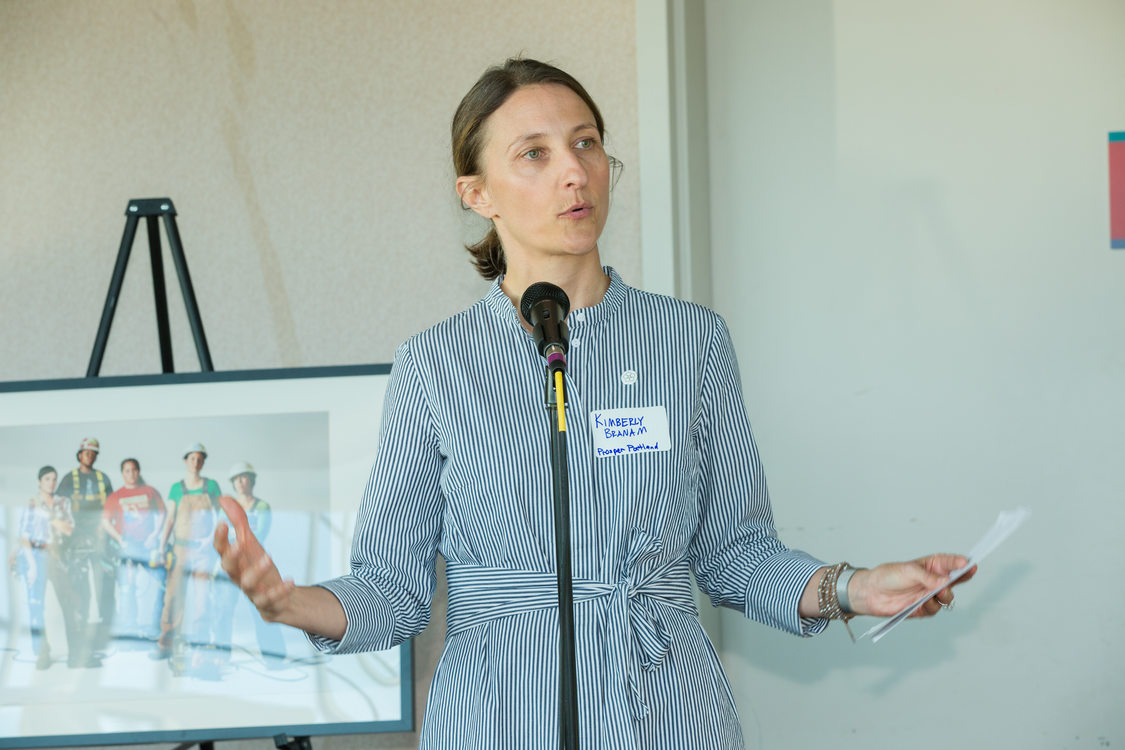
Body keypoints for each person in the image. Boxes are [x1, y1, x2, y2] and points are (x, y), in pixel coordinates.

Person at [216, 58, 977, 748]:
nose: (573, 173)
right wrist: (289, 603)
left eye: (585, 144)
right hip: (497, 710)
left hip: (665, 705)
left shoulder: (691, 342)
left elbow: (734, 554)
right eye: (534, 154)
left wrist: (853, 587)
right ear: (475, 194)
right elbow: (394, 588)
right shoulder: (434, 364)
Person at [8, 466, 90, 669]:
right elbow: (25, 537)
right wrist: (33, 566)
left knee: (70, 603)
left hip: (58, 555)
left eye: (54, 479)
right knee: (35, 606)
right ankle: (42, 653)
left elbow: (69, 529)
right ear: (39, 482)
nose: (51, 483)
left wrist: (49, 516)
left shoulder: (63, 502)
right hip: (35, 555)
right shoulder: (32, 504)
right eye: (47, 479)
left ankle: (75, 655)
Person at [211, 462, 287, 667]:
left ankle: (275, 659)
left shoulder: (262, 507)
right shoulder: (225, 508)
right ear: (233, 484)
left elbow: (260, 534)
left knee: (262, 610)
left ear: (252, 480)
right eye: (237, 479)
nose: (241, 482)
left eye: (244, 477)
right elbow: (220, 535)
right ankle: (220, 657)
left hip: (255, 568)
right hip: (230, 568)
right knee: (223, 610)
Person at [154, 442, 222, 671]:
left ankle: (200, 646)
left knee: (202, 600)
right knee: (172, 597)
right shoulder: (176, 488)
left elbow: (218, 518)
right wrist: (161, 546)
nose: (196, 462)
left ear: (203, 462)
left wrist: (211, 540)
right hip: (180, 549)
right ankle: (166, 643)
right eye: (192, 458)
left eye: (200, 458)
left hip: (203, 551)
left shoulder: (212, 486)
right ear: (186, 461)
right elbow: (170, 518)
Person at [55, 437, 115, 660]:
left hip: (100, 539)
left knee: (104, 588)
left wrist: (103, 529)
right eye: (86, 453)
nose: (89, 456)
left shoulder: (103, 479)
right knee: (81, 592)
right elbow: (58, 507)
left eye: (93, 453)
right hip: (76, 543)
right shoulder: (69, 479)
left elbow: (112, 506)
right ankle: (79, 645)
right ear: (79, 455)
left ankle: (103, 639)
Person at [102, 458, 167, 643]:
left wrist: (154, 535)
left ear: (138, 472)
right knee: (127, 587)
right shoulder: (116, 496)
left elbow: (161, 513)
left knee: (160, 582)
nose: (131, 474)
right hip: (128, 548)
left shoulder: (150, 492)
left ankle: (155, 627)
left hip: (148, 547)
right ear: (122, 474)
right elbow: (106, 521)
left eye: (134, 470)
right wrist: (120, 539)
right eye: (127, 471)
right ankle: (129, 630)